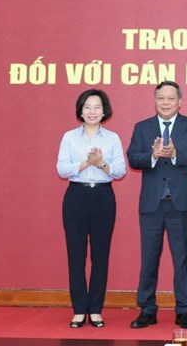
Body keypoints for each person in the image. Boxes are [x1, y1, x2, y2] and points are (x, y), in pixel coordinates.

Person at [126, 81, 187, 330]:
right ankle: (147, 310)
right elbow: (133, 158)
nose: (166, 103)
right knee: (149, 259)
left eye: (171, 99)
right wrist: (153, 156)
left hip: (181, 204)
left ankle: (183, 311)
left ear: (180, 101)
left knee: (182, 259)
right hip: (152, 204)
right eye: (161, 99)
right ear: (155, 100)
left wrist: (175, 154)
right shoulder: (142, 127)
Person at [56, 89, 126, 329]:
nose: (92, 111)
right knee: (76, 255)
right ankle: (78, 310)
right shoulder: (69, 137)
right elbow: (62, 169)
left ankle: (95, 309)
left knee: (100, 255)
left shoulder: (113, 138)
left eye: (97, 107)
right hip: (76, 196)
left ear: (104, 110)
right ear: (80, 110)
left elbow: (120, 170)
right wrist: (87, 162)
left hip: (103, 197)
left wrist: (102, 164)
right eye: (87, 107)